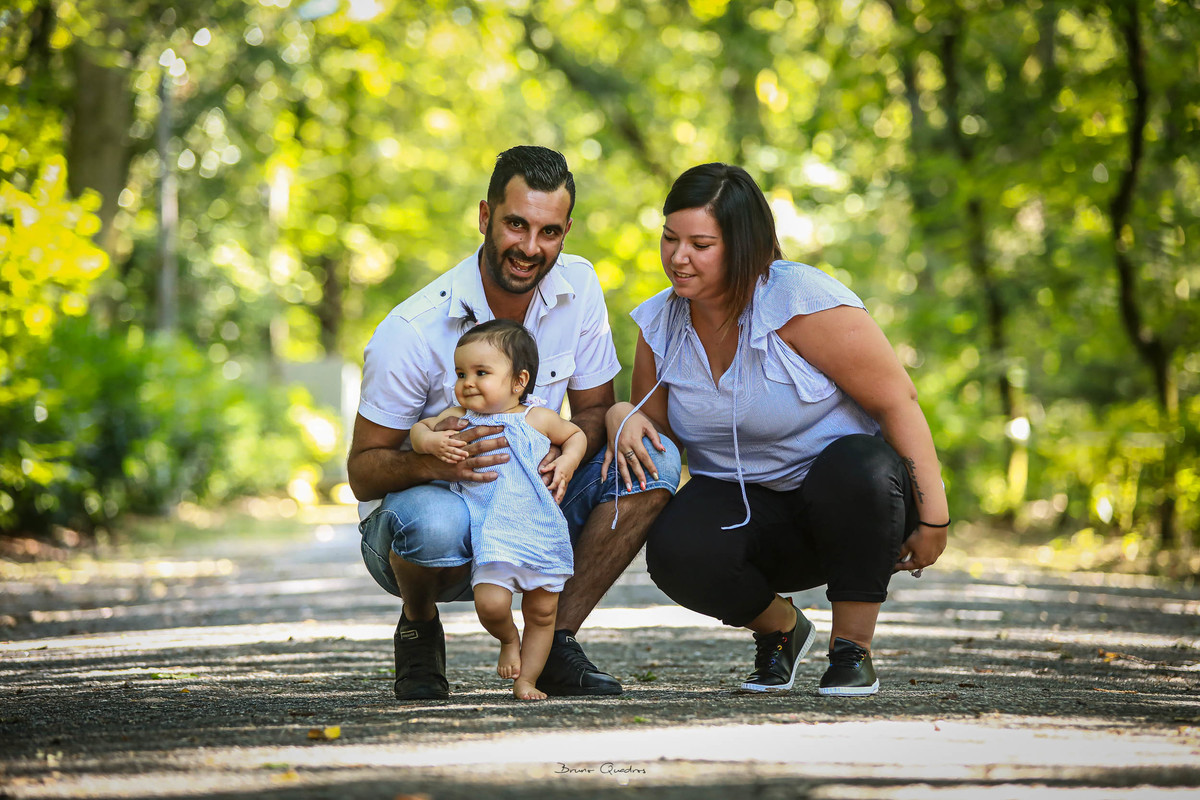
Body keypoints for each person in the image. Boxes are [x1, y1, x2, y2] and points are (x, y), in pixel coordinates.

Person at [348, 145, 681, 701]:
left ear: (566, 230)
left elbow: (593, 411)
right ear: (485, 217)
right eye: (516, 225)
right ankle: (419, 622)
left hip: (532, 504)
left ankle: (552, 644)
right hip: (440, 514)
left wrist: (565, 455)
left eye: (549, 232)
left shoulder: (578, 285)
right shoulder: (411, 331)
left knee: (654, 462)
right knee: (431, 525)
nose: (529, 248)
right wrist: (438, 461)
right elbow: (362, 473)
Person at [605, 163, 948, 697]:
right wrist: (617, 415)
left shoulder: (802, 300)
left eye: (700, 244)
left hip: (850, 509)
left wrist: (934, 517)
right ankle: (781, 630)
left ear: (743, 246)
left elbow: (896, 401)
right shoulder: (660, 325)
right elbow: (658, 430)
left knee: (858, 465)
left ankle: (852, 650)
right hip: (750, 513)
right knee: (675, 548)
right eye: (670, 239)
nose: (678, 257)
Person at [411, 319, 587, 700]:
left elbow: (575, 434)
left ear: (519, 381)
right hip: (493, 533)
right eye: (461, 373)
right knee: (490, 604)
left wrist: (568, 460)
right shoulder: (459, 417)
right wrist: (431, 443)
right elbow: (419, 429)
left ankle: (528, 680)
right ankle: (508, 638)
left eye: (481, 373)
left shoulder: (536, 418)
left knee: (542, 614)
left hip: (540, 532)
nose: (467, 383)